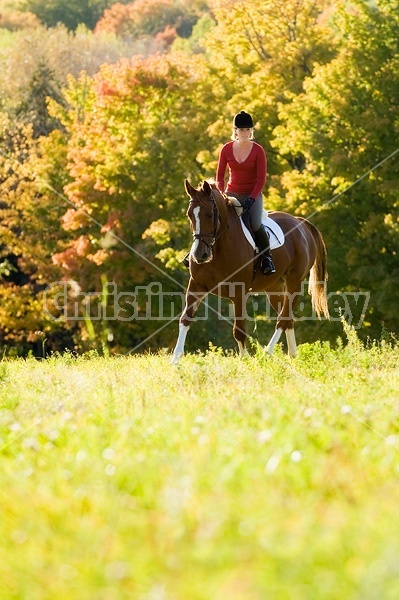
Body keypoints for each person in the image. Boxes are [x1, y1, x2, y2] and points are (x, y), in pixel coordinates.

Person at [215, 110, 276, 275]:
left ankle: (266, 258)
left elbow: (261, 179)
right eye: (241, 130)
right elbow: (220, 176)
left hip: (252, 195)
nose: (245, 133)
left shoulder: (258, 150)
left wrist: (252, 198)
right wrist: (221, 194)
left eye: (248, 130)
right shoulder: (226, 149)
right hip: (231, 194)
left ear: (251, 131)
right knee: (215, 219)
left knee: (255, 224)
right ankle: (199, 252)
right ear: (235, 131)